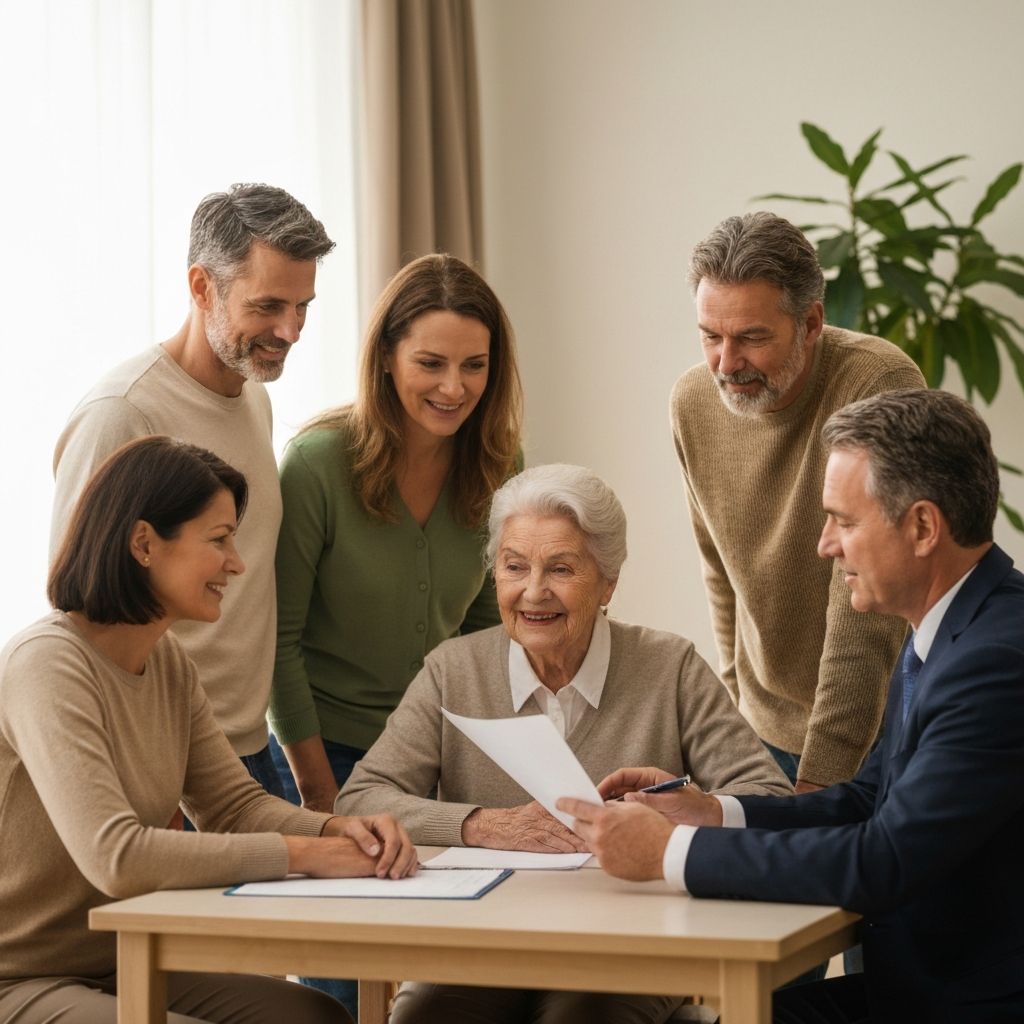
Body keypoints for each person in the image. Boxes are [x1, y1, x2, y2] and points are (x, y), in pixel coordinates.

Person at [560, 390, 1024, 1023]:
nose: (825, 545)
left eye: (844, 520)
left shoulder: (996, 660)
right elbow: (869, 800)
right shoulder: (951, 629)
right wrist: (711, 813)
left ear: (922, 527)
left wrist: (669, 852)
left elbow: (882, 859)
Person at [339, 463, 791, 1024]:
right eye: (514, 567)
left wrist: (684, 816)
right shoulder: (452, 669)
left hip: (633, 943)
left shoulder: (668, 666)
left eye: (561, 568)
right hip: (480, 942)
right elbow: (360, 799)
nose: (533, 591)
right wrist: (485, 825)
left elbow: (769, 796)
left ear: (608, 581)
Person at [0, 436, 416, 1024]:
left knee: (315, 1017)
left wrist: (341, 827)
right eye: (218, 540)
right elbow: (115, 856)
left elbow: (234, 806)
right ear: (144, 543)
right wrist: (307, 853)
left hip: (121, 957)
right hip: (18, 978)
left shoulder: (167, 662)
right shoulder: (47, 665)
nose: (237, 563)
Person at [267, 252, 523, 1012]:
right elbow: (277, 645)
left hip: (435, 761)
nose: (454, 387)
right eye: (431, 363)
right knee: (341, 993)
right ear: (384, 357)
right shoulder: (317, 465)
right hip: (326, 755)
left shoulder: (499, 463)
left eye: (475, 365)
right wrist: (322, 798)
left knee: (452, 982)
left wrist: (491, 771)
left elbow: (488, 630)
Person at [50, 183, 335, 797]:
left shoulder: (252, 394)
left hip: (251, 752)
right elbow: (74, 616)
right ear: (202, 287)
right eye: (267, 306)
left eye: (303, 305)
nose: (290, 330)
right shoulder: (121, 414)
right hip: (162, 764)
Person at [671, 212, 925, 792]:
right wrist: (735, 719)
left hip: (877, 734)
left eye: (753, 338)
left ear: (811, 322)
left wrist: (820, 787)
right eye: (711, 336)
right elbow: (720, 569)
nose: (726, 364)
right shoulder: (692, 403)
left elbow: (867, 615)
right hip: (761, 731)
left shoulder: (876, 383)